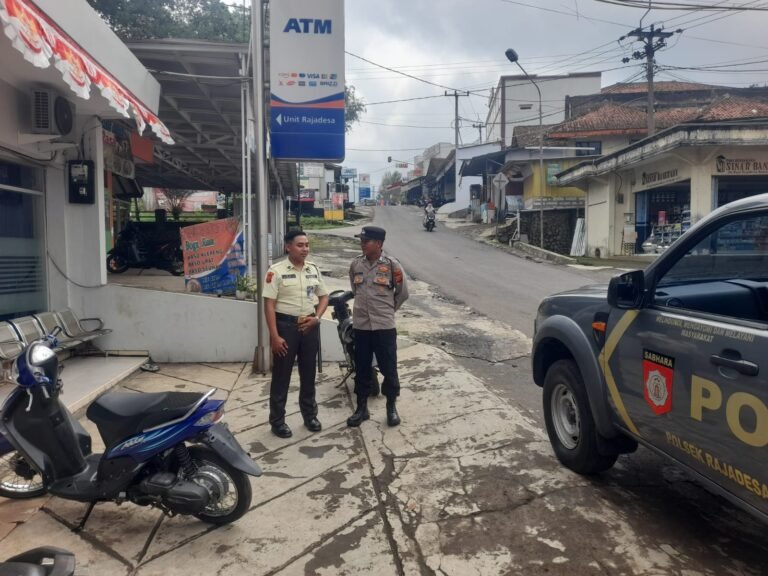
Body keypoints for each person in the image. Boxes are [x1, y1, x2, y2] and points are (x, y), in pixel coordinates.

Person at [263, 229, 329, 438]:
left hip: (309, 327)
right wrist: (274, 336)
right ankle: (277, 421)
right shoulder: (276, 271)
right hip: (286, 328)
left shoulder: (313, 269)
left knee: (308, 374)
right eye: (300, 245)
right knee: (281, 376)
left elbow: (324, 296)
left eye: (307, 245)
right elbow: (269, 305)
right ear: (288, 247)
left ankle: (310, 416)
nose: (305, 249)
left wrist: (317, 318)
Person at [346, 226, 409, 428]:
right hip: (362, 327)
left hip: (384, 327)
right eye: (362, 240)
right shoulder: (355, 264)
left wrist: (387, 311)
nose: (362, 244)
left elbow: (402, 293)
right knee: (362, 367)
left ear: (379, 244)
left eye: (367, 241)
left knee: (389, 368)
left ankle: (391, 407)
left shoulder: (392, 266)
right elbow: (355, 289)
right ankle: (361, 408)